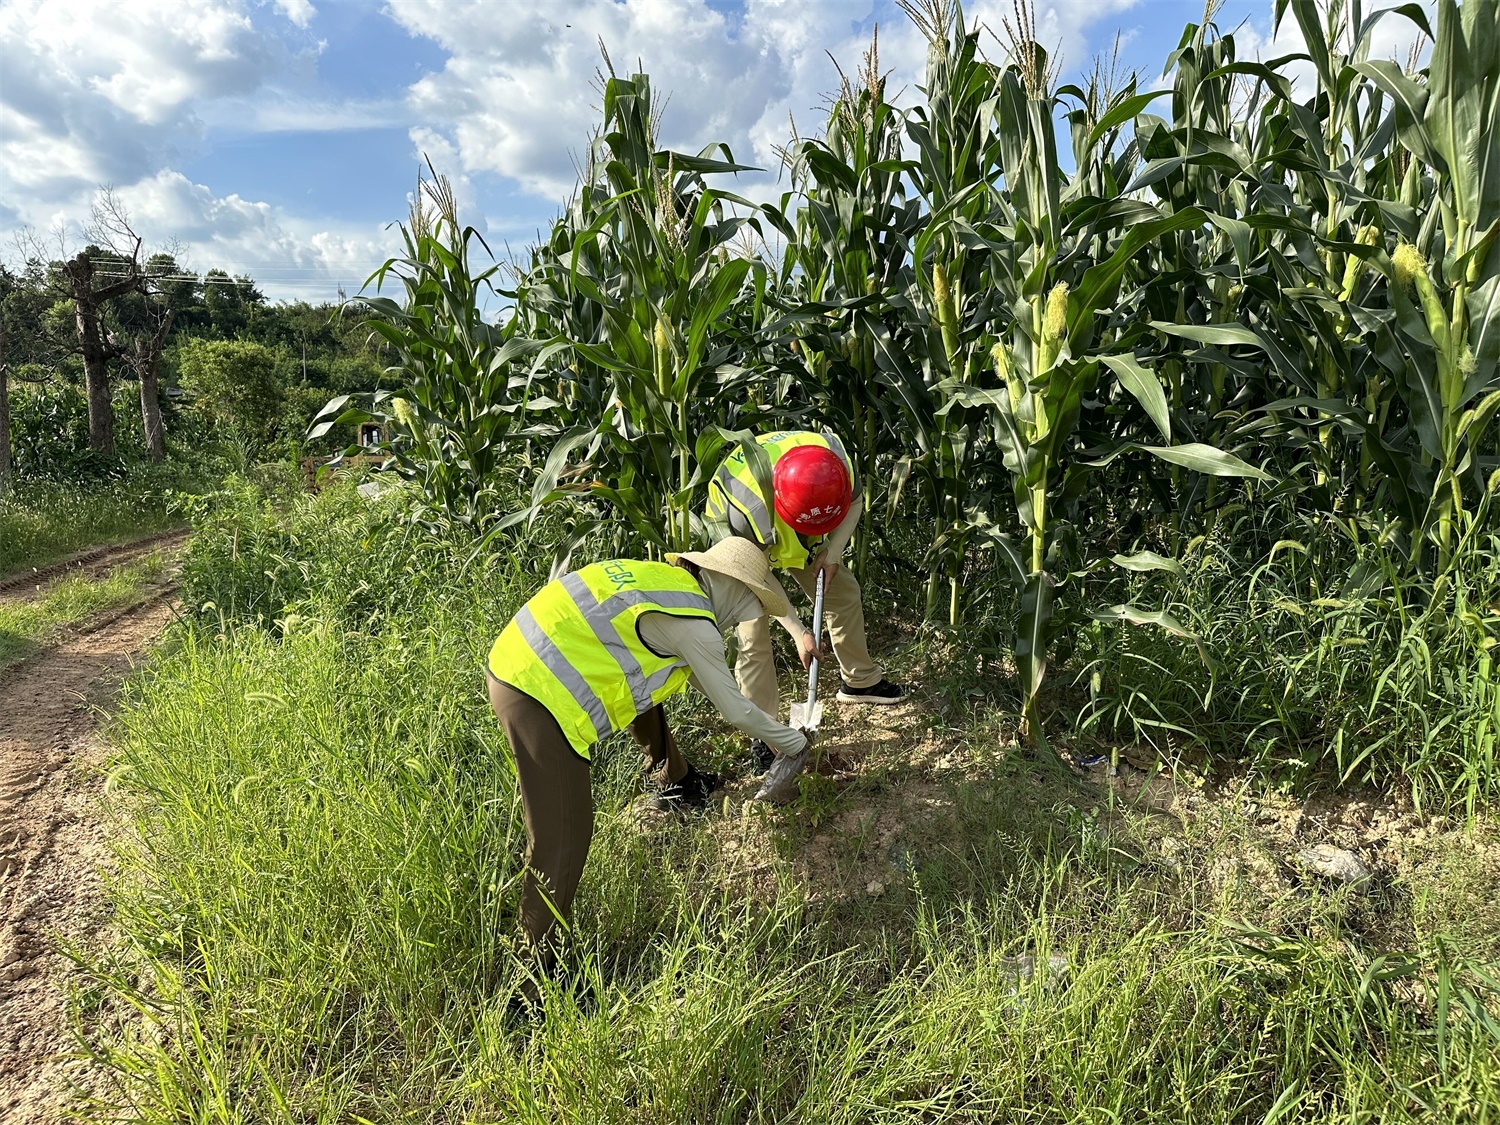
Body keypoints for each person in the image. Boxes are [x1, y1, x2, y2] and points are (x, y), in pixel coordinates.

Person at [484, 537, 811, 973]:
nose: (749, 614)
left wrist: (767, 730)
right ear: (733, 585)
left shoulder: (670, 584)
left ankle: (674, 781)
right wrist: (795, 743)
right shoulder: (694, 623)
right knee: (565, 832)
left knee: (646, 694)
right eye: (752, 599)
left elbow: (704, 683)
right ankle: (533, 973)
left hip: (522, 648)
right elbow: (733, 709)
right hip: (536, 686)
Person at [705, 428, 905, 772]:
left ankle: (860, 681)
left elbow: (854, 502)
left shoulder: (836, 465)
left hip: (795, 515)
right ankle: (764, 732)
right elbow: (760, 579)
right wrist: (799, 631)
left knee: (843, 591)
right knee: (753, 627)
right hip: (740, 539)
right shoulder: (747, 510)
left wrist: (834, 553)